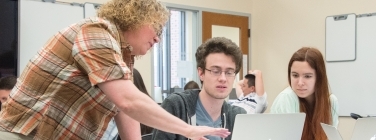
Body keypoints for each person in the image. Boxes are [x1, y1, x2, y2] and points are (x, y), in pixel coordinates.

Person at [0, 0, 229, 139]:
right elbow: (128, 101)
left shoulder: (122, 56)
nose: (158, 39)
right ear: (138, 18)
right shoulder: (95, 32)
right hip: (23, 135)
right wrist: (188, 130)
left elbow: (125, 111)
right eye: (156, 28)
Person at [152, 37, 247, 140]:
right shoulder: (176, 106)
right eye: (215, 71)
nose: (223, 78)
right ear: (201, 73)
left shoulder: (237, 116)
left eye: (229, 72)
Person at [270, 47, 339, 140]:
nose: (300, 83)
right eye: (295, 75)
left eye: (307, 76)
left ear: (319, 77)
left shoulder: (331, 101)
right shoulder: (287, 98)